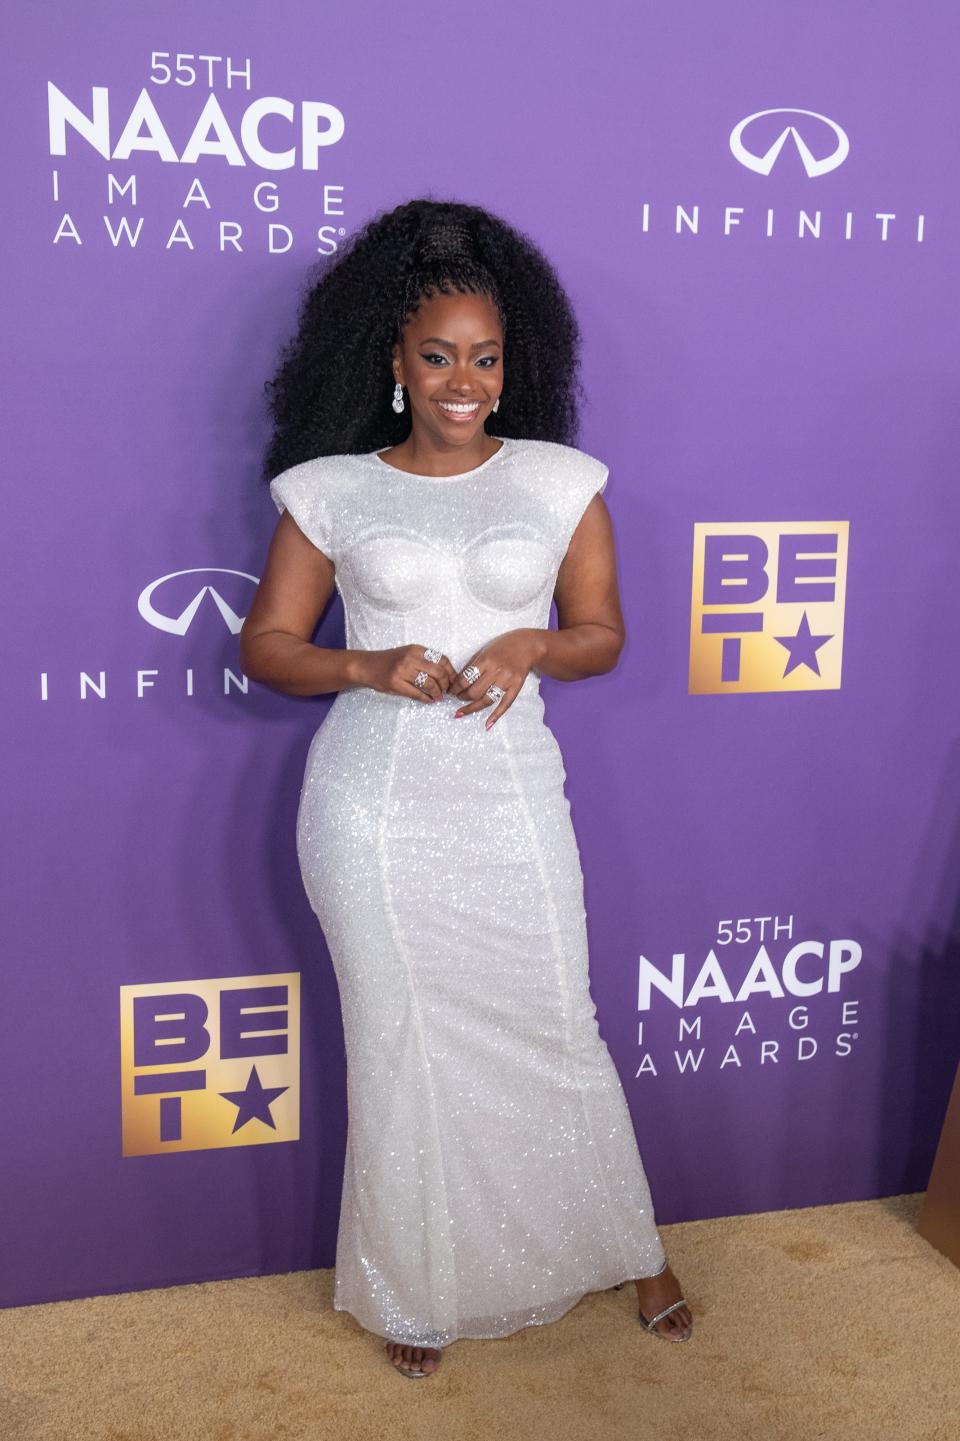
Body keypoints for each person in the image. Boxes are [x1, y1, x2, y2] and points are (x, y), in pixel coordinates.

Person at [240, 198, 693, 1380]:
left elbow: (601, 632)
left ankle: (634, 1250)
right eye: (436, 356)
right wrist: (369, 664)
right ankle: (411, 1279)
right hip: (374, 807)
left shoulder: (557, 481)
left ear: (510, 363)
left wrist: (530, 645)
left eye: (484, 358)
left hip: (508, 798)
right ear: (391, 360)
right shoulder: (331, 489)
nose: (462, 381)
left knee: (558, 1021)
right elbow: (268, 646)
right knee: (401, 1041)